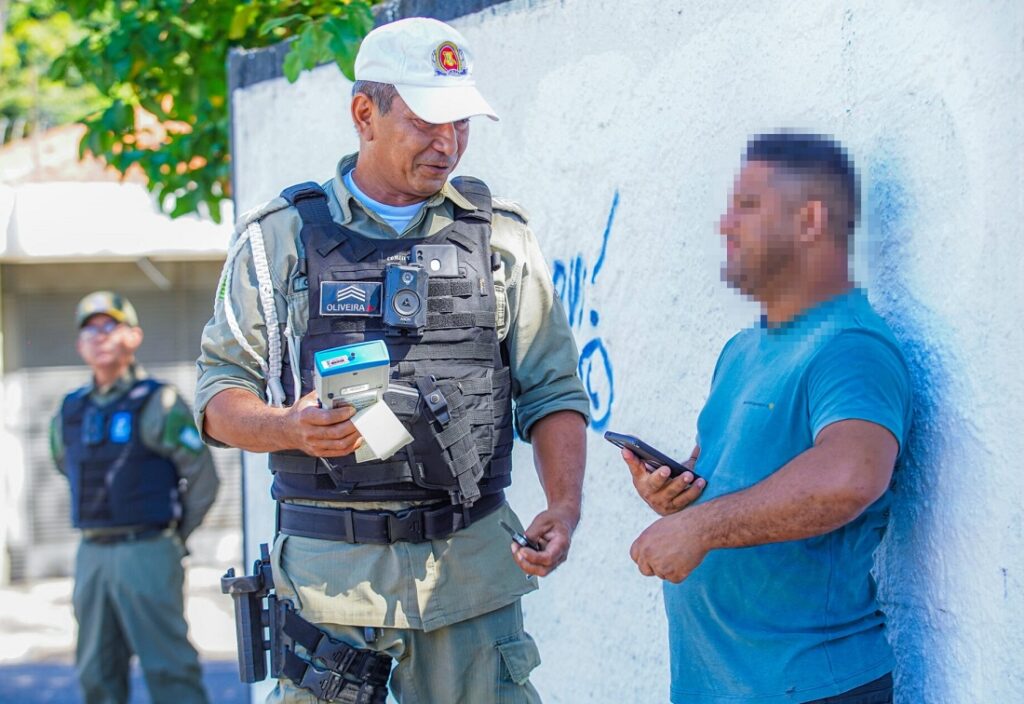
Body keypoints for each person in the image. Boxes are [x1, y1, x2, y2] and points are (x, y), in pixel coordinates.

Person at [197, 17, 589, 704]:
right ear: (364, 114)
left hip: (470, 585)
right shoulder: (278, 240)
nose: (448, 143)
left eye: (461, 123)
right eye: (426, 122)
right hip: (330, 597)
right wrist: (287, 428)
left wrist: (564, 505)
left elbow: (552, 388)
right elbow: (218, 396)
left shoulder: (501, 239)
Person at [622, 133, 912, 704]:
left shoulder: (851, 346)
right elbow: (739, 480)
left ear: (810, 221)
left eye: (749, 206)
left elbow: (851, 477)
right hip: (718, 685)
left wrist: (699, 529)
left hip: (808, 687)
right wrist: (679, 496)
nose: (726, 225)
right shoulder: (742, 349)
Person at [50, 291, 219, 704]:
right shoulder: (70, 409)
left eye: (110, 326)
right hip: (92, 553)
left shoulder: (158, 401)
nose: (99, 336)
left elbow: (203, 478)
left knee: (170, 671)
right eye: (89, 330)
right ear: (79, 344)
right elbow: (64, 465)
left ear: (134, 336)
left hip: (147, 550)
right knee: (96, 672)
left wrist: (173, 537)